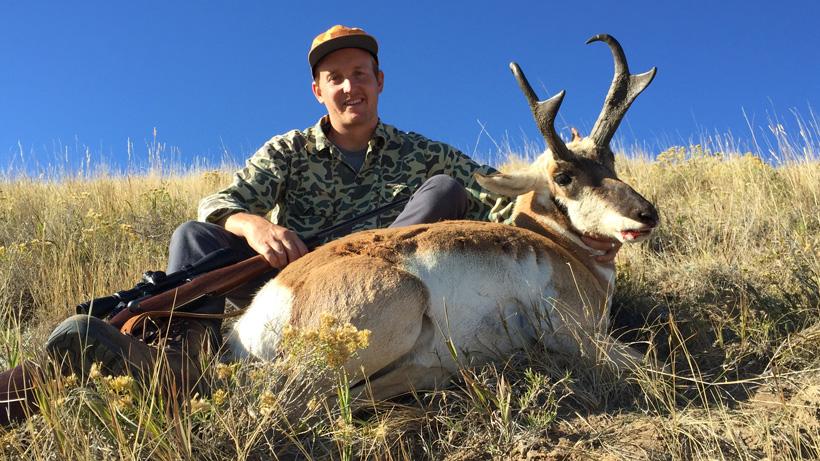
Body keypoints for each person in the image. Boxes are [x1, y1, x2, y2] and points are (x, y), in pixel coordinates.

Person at [0, 25, 620, 426]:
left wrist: (563, 165)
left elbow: (495, 194)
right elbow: (220, 200)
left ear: (379, 82)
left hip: (377, 278)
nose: (351, 86)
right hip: (292, 276)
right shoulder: (287, 151)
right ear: (318, 90)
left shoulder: (421, 151)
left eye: (361, 73)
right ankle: (172, 363)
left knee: (443, 193)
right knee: (194, 240)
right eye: (336, 78)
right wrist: (253, 226)